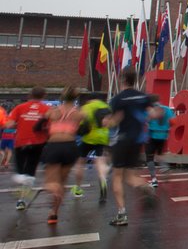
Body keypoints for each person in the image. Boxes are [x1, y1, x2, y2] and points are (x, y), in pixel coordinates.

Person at [106, 67, 162, 226]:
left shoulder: (118, 99)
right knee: (129, 176)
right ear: (135, 80)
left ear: (122, 79)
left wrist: (106, 122)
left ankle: (121, 214)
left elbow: (115, 120)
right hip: (137, 142)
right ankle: (145, 187)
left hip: (122, 140)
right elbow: (153, 114)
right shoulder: (143, 97)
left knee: (117, 177)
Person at [39, 87, 84, 224]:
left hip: (54, 146)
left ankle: (55, 192)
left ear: (62, 97)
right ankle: (53, 213)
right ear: (75, 98)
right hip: (70, 147)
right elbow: (85, 129)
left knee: (51, 183)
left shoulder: (53, 112)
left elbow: (38, 126)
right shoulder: (79, 114)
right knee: (62, 182)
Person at [5, 87, 50, 210]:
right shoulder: (46, 109)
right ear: (43, 96)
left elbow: (9, 124)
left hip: (21, 142)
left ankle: (21, 183)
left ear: (30, 95)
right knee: (30, 172)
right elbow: (50, 127)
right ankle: (22, 200)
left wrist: (20, 123)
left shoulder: (20, 107)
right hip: (38, 143)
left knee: (20, 172)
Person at [73, 92, 111, 202]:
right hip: (103, 137)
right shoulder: (107, 107)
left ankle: (78, 188)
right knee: (100, 161)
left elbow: (81, 123)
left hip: (88, 138)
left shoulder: (86, 107)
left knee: (80, 161)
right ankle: (103, 181)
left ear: (90, 99)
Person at [145, 98, 175, 187]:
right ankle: (164, 167)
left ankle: (154, 180)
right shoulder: (166, 109)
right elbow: (173, 121)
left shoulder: (150, 110)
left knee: (150, 158)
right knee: (159, 154)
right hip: (163, 135)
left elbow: (146, 121)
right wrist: (167, 127)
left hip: (152, 135)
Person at [0, 104, 13, 169]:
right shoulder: (11, 118)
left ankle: (3, 158)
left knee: (2, 149)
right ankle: (6, 162)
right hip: (12, 135)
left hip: (5, 134)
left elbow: (3, 126)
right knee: (9, 150)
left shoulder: (4, 116)